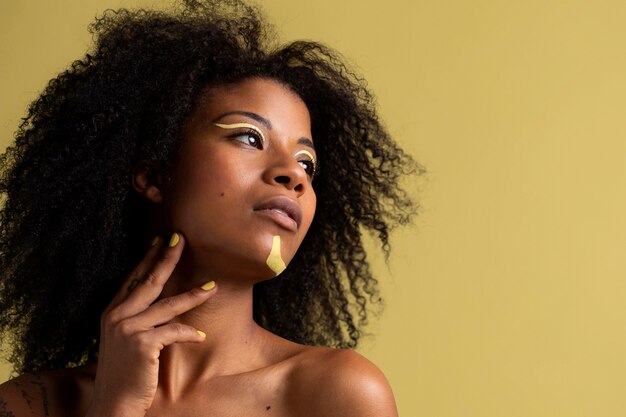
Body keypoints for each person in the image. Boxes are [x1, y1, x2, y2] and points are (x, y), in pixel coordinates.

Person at [0, 0, 420, 415]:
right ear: (155, 173)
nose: (293, 174)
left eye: (307, 164)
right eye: (249, 138)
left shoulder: (337, 393)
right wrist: (117, 406)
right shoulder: (28, 404)